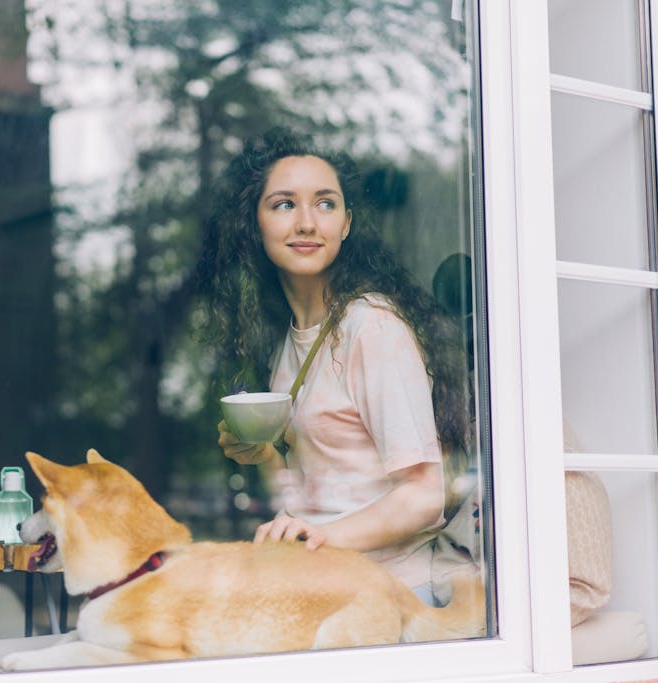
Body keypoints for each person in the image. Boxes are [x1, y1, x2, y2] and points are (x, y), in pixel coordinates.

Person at [196, 127, 476, 606]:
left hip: (396, 596)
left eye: (325, 204)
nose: (307, 222)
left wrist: (315, 539)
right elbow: (308, 501)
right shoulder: (291, 341)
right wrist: (261, 454)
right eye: (284, 204)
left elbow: (425, 497)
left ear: (346, 223)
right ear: (254, 223)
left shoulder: (372, 327)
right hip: (331, 591)